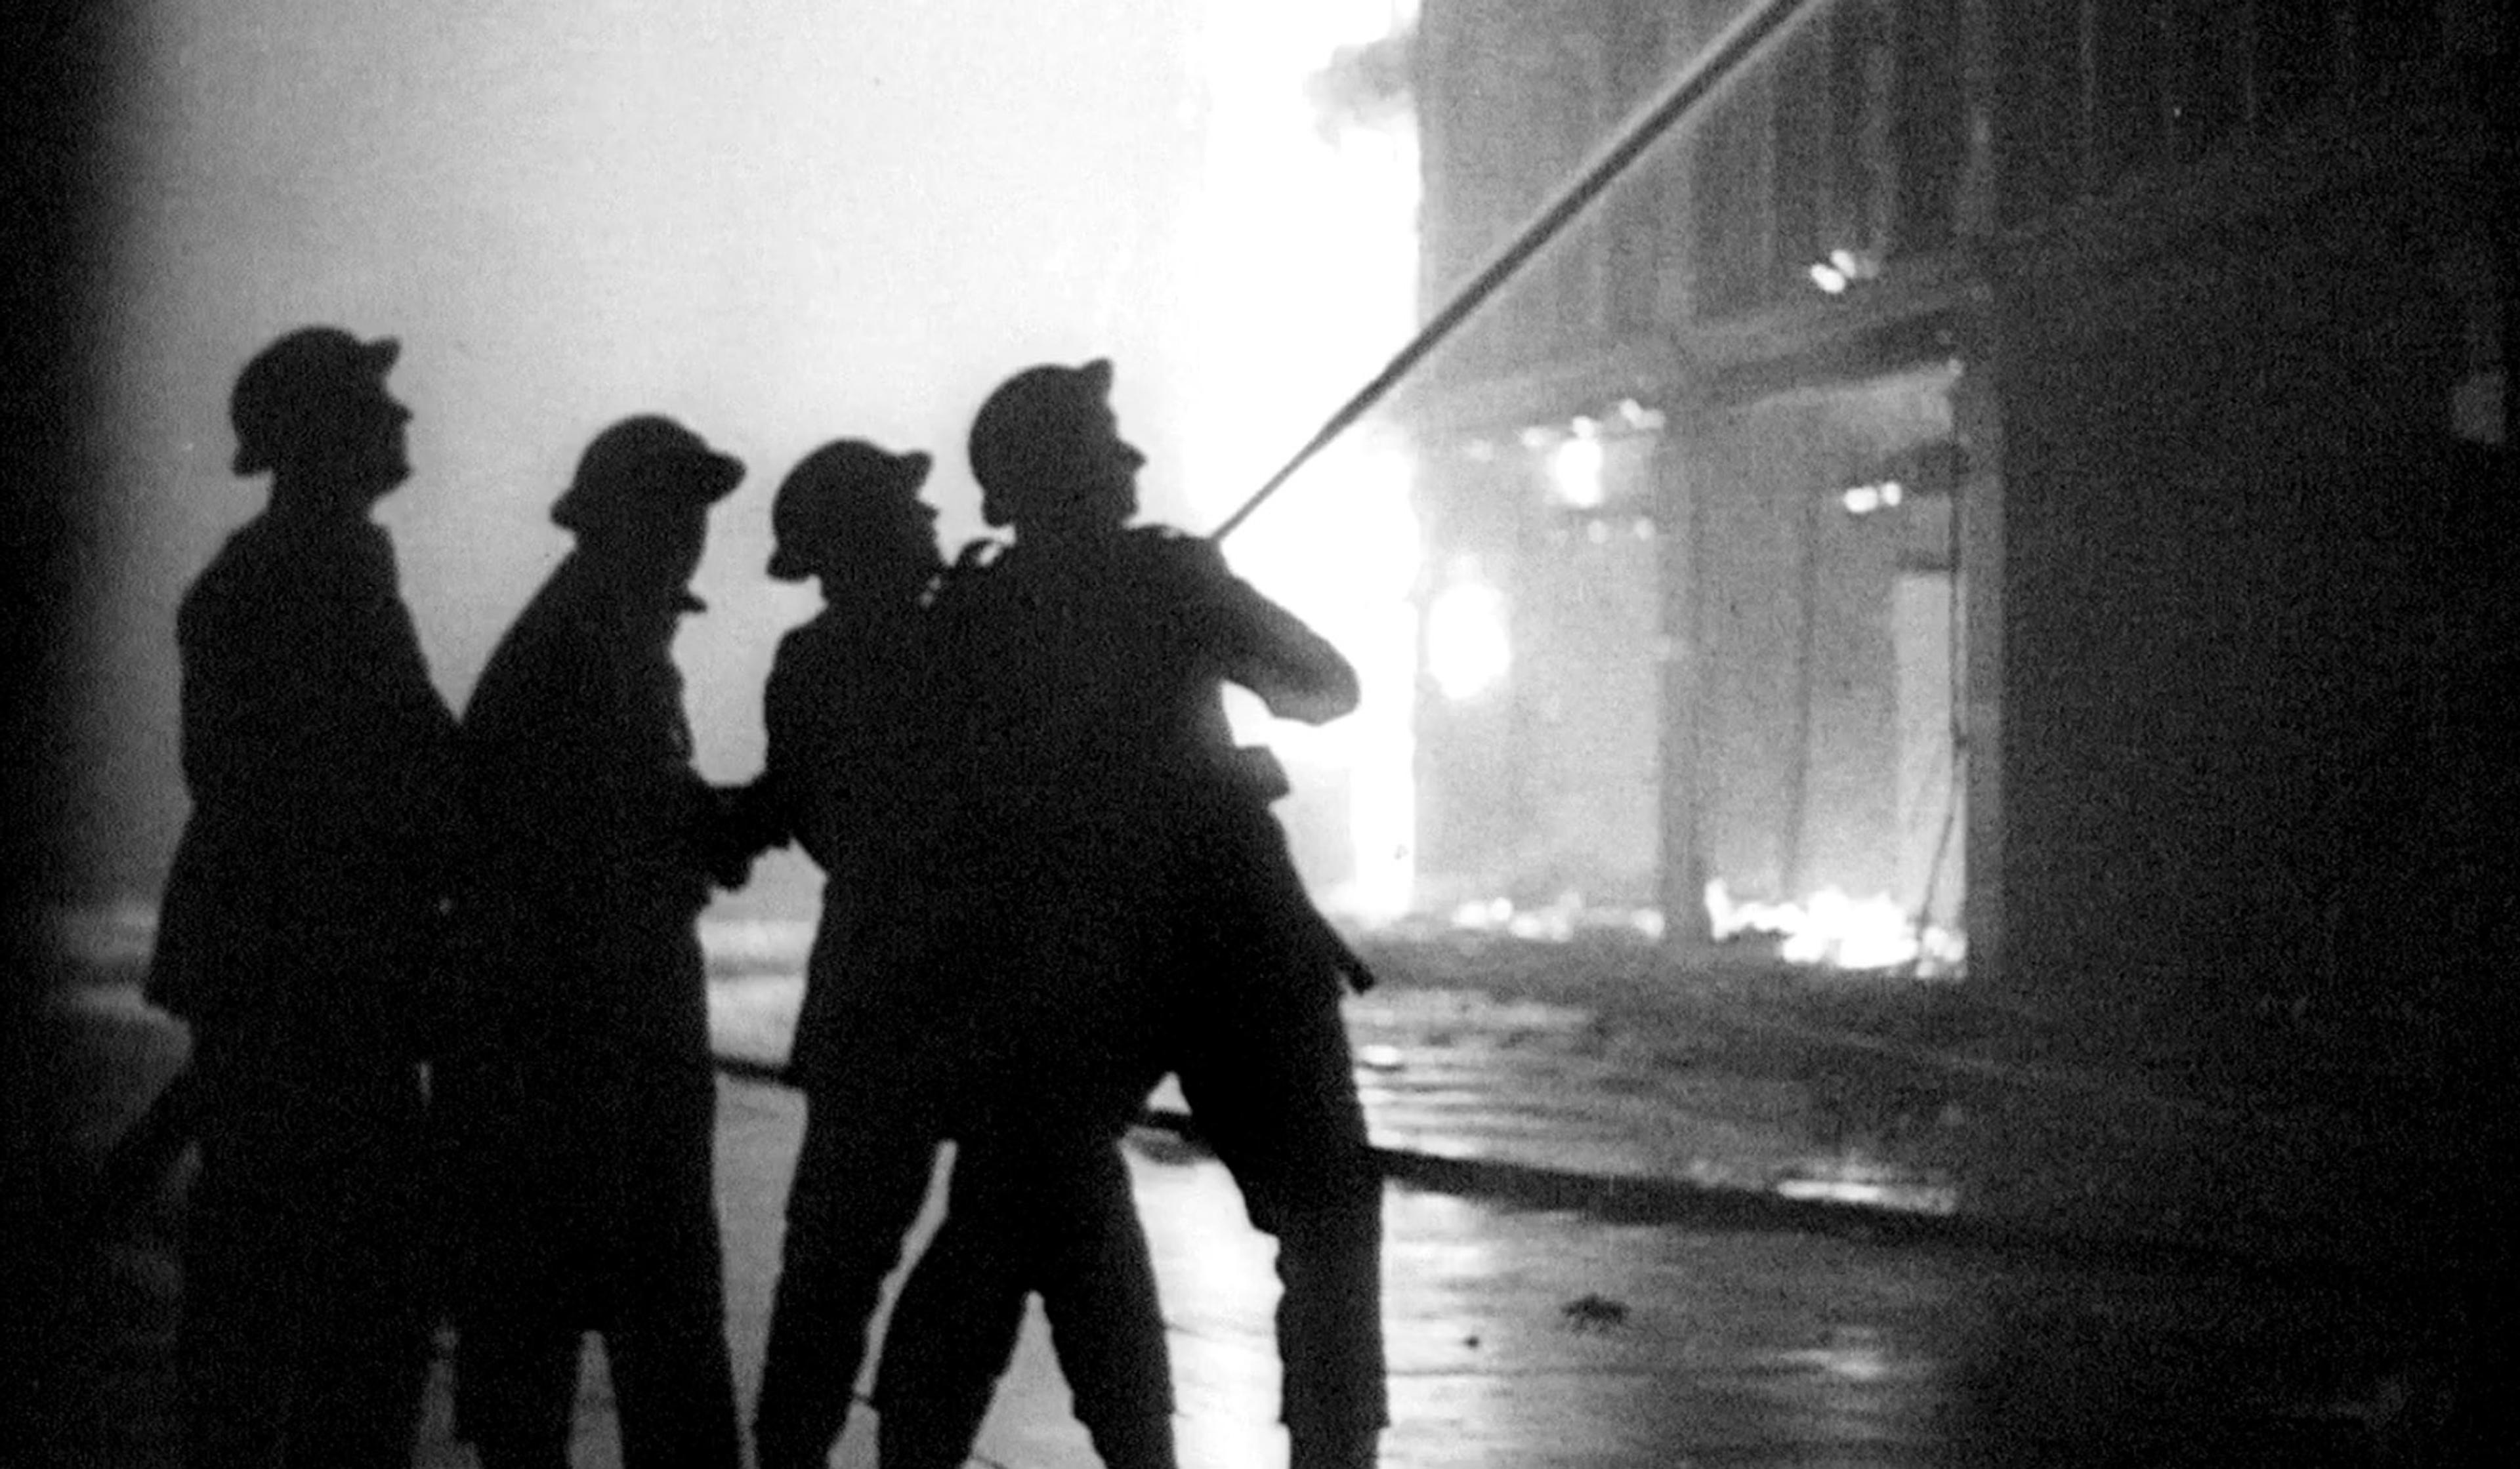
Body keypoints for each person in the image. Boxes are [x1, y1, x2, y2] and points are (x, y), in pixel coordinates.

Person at [872, 360, 1385, 1469]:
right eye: (1107, 441)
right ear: (1058, 471)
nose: (1133, 460)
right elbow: (1325, 688)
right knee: (1327, 1214)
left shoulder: (981, 614)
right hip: (1226, 939)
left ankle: (912, 1443)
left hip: (1076, 960)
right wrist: (1211, 594)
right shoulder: (1168, 586)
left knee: (1003, 1215)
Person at [748, 441, 1175, 1469]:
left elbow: (819, 822)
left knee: (836, 1274)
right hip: (989, 1005)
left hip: (878, 998)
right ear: (868, 536)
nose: (934, 524)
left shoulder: (817, 662)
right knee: (1079, 1249)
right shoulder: (956, 643)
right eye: (911, 512)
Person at [147, 325, 463, 1468]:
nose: (402, 420)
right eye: (377, 403)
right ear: (327, 432)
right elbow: (387, 768)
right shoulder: (319, 572)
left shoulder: (290, 568)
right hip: (320, 973)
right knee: (342, 1300)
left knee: (267, 1282)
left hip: (286, 965)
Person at [438, 415, 766, 1469]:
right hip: (589, 1050)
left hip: (566, 1044)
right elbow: (615, 834)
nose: (693, 533)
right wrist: (743, 816)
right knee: (649, 1340)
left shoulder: (593, 632)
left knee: (545, 1345)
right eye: (677, 509)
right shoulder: (590, 648)